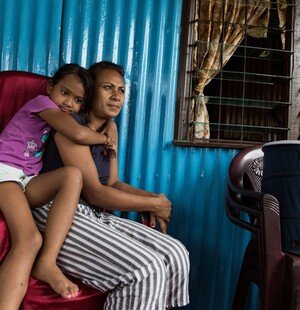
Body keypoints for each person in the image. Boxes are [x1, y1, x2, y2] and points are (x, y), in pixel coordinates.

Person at [33, 61, 190, 309]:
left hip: (92, 215)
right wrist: (153, 203)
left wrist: (155, 200)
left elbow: (113, 183)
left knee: (175, 254)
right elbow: (95, 192)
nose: (116, 96)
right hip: (58, 214)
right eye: (108, 87)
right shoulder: (71, 129)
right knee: (145, 268)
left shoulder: (109, 131)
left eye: (121, 90)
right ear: (90, 91)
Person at [0, 63, 115, 309]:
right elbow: (80, 135)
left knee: (73, 175)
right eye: (64, 92)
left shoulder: (63, 114)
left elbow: (87, 125)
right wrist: (107, 139)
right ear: (51, 88)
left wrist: (110, 124)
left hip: (27, 179)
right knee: (29, 239)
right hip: (4, 171)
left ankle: (47, 261)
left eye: (77, 100)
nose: (68, 103)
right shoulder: (42, 104)